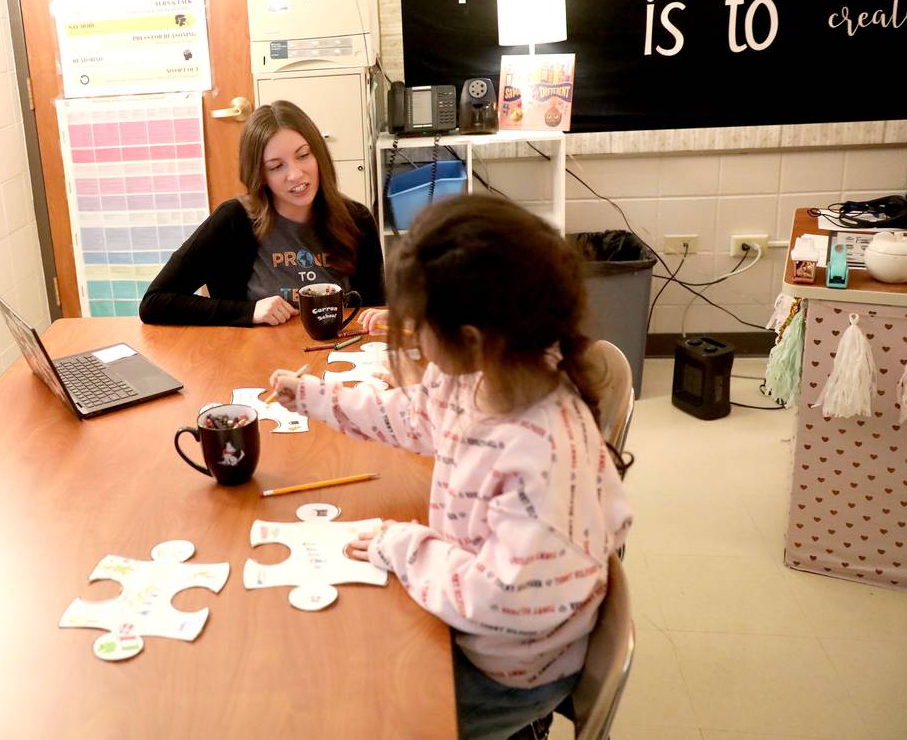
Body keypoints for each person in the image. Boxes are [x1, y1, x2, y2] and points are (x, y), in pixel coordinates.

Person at [268, 196, 633, 740]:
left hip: (510, 668)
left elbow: (495, 601)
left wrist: (405, 547)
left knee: (352, 707)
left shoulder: (539, 456)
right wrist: (315, 397)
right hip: (477, 610)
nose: (410, 333)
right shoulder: (484, 372)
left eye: (418, 323)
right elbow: (411, 418)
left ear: (471, 338)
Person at [139, 100, 384, 326]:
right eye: (277, 166)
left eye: (303, 155)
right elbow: (155, 302)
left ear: (319, 154)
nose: (296, 174)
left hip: (333, 355)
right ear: (261, 175)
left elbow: (373, 309)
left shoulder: (357, 220)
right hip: (258, 358)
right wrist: (248, 312)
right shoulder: (234, 220)